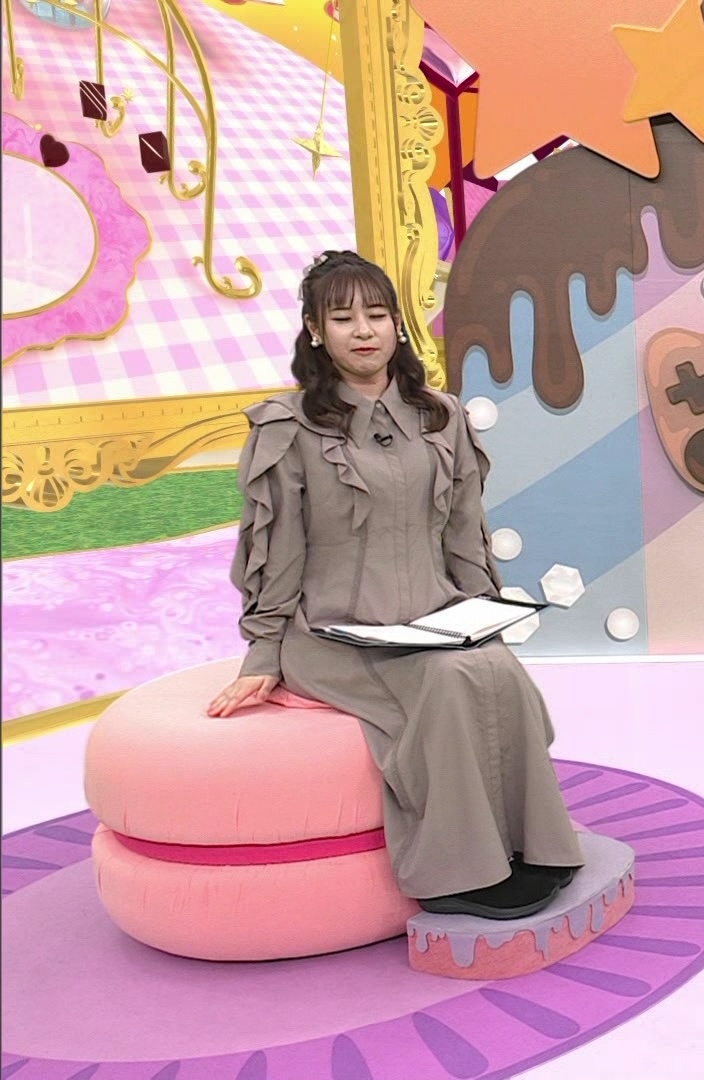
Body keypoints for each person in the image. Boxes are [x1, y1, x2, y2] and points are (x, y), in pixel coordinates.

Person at [207, 251, 583, 920]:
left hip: (433, 615)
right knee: (444, 681)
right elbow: (278, 550)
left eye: (377, 315)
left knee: (496, 670)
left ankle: (534, 844)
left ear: (397, 325)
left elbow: (463, 534)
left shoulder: (441, 416)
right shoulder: (287, 428)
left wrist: (484, 616)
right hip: (334, 633)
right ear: (315, 330)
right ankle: (456, 874)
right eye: (342, 318)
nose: (363, 330)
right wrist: (264, 653)